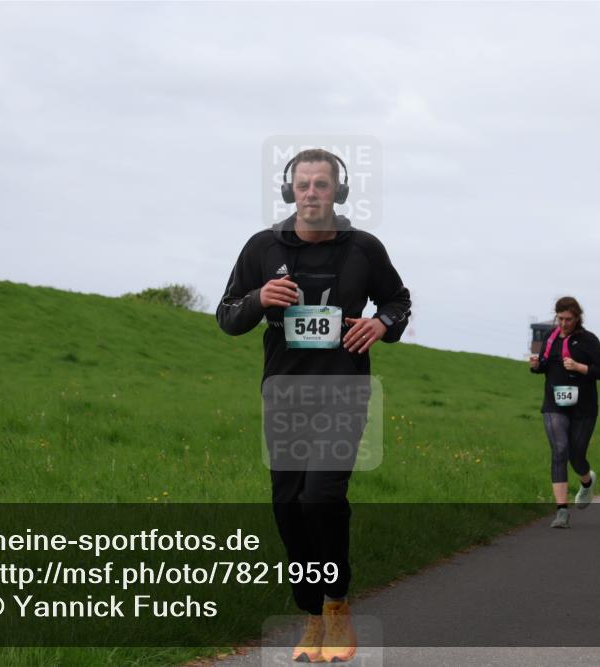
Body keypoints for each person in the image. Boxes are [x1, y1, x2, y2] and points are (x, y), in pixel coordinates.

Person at [217, 148, 411, 662]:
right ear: (289, 193)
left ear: (338, 193)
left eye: (321, 184)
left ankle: (337, 608)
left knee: (320, 498)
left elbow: (398, 300)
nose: (310, 193)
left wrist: (381, 324)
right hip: (284, 394)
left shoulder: (363, 249)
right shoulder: (262, 248)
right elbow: (227, 315)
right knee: (287, 507)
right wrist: (259, 298)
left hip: (344, 391)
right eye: (302, 184)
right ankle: (310, 614)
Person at [529, 296, 600, 529]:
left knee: (576, 455)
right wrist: (536, 366)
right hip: (554, 404)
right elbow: (544, 365)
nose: (564, 324)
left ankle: (586, 481)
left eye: (569, 319)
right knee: (560, 450)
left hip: (584, 408)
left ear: (577, 318)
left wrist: (578, 367)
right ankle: (562, 512)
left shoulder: (588, 340)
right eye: (560, 318)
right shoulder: (550, 338)